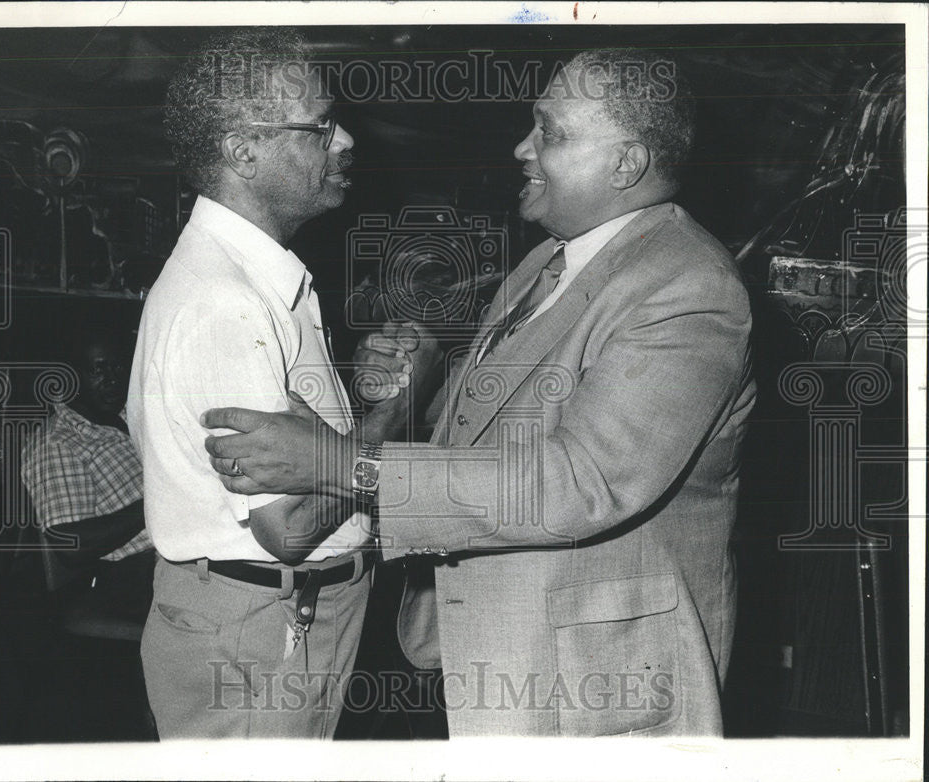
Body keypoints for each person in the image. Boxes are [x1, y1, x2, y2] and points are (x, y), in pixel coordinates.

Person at [200, 49, 757, 736]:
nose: (523, 149)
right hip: (513, 658)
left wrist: (342, 466)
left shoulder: (686, 286)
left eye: (550, 132)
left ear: (626, 164)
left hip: (596, 689)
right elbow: (500, 428)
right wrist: (419, 391)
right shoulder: (547, 261)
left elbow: (579, 481)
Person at [126, 28, 407, 738]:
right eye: (320, 127)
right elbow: (288, 530)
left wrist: (354, 396)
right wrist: (401, 409)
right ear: (242, 150)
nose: (344, 141)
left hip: (276, 621)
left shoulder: (250, 278)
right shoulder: (228, 302)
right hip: (265, 630)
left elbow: (294, 453)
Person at [21, 328, 155, 621]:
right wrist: (157, 503)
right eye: (98, 369)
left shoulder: (127, 416)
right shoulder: (58, 442)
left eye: (118, 366)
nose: (112, 378)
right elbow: (70, 544)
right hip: (130, 578)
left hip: (168, 556)